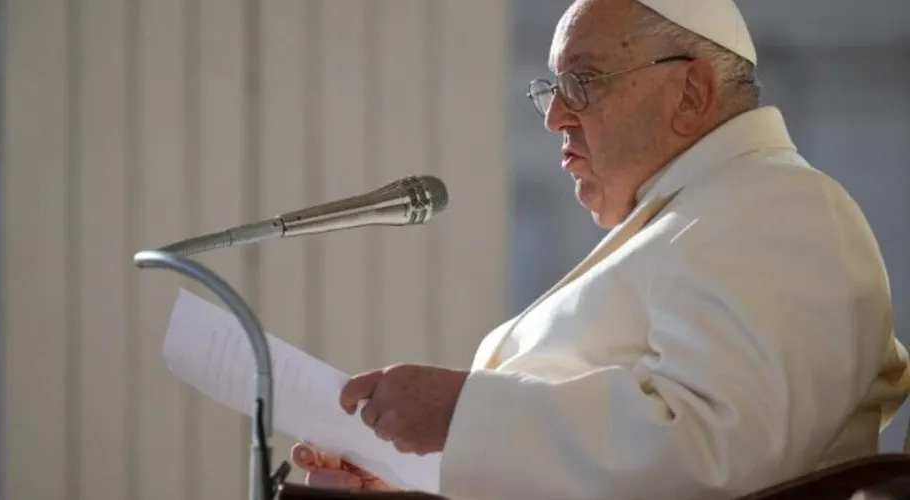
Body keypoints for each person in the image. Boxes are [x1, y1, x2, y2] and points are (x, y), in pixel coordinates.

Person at [291, 0, 910, 498]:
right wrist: (419, 483)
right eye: (553, 88)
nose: (554, 116)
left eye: (583, 81)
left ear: (692, 93)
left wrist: (461, 414)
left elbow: (718, 457)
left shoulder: (779, 205)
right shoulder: (698, 213)